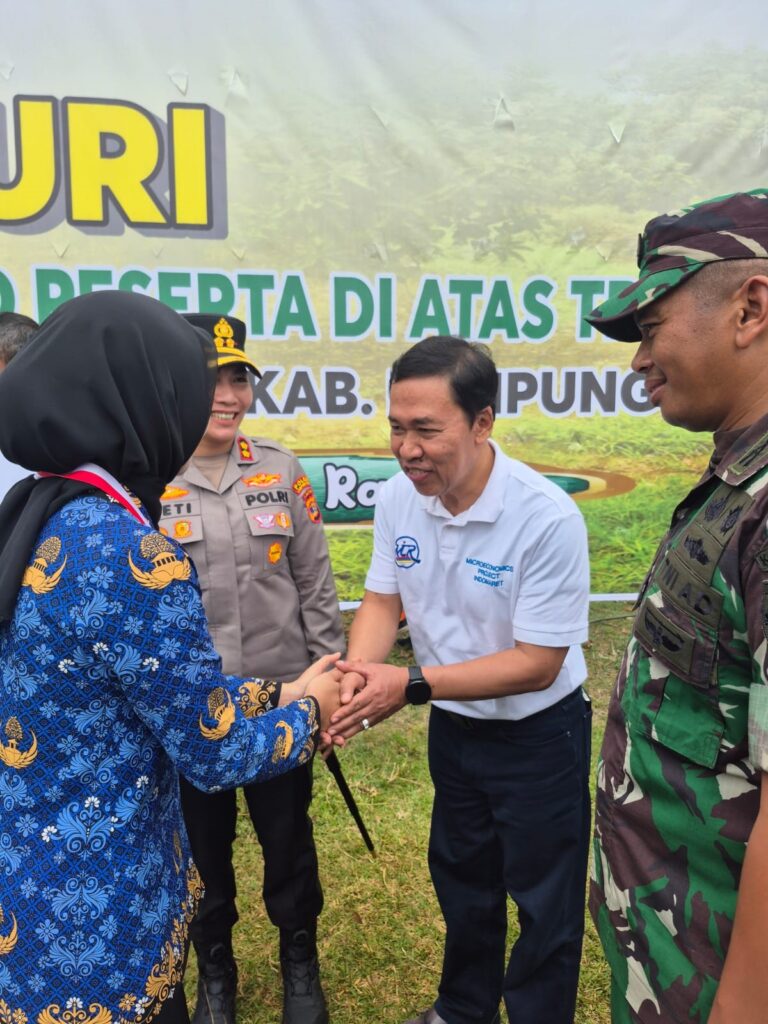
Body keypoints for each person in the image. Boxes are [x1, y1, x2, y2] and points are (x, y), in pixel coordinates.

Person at [0, 291, 340, 1023]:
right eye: (184, 390)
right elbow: (212, 751)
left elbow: (141, 690)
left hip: (31, 891)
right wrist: (313, 711)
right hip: (100, 927)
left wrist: (278, 692)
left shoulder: (42, 512)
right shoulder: (127, 552)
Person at [327, 336, 592, 1024]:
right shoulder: (398, 498)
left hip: (540, 735)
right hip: (456, 725)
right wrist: (358, 676)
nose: (407, 449)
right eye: (396, 428)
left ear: (482, 422)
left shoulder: (545, 517)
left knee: (545, 900)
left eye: (426, 430)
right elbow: (382, 600)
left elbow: (538, 662)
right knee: (463, 876)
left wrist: (409, 685)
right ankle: (464, 1008)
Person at [584, 187, 768, 1024]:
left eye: (652, 327)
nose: (639, 361)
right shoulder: (737, 477)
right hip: (672, 949)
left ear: (750, 309)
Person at [160, 314, 344, 1024]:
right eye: (212, 379)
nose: (228, 395)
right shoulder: (149, 478)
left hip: (282, 699)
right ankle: (215, 972)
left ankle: (300, 961)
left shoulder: (280, 468)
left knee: (287, 841)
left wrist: (329, 689)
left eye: (238, 378)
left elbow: (315, 586)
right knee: (201, 850)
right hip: (193, 709)